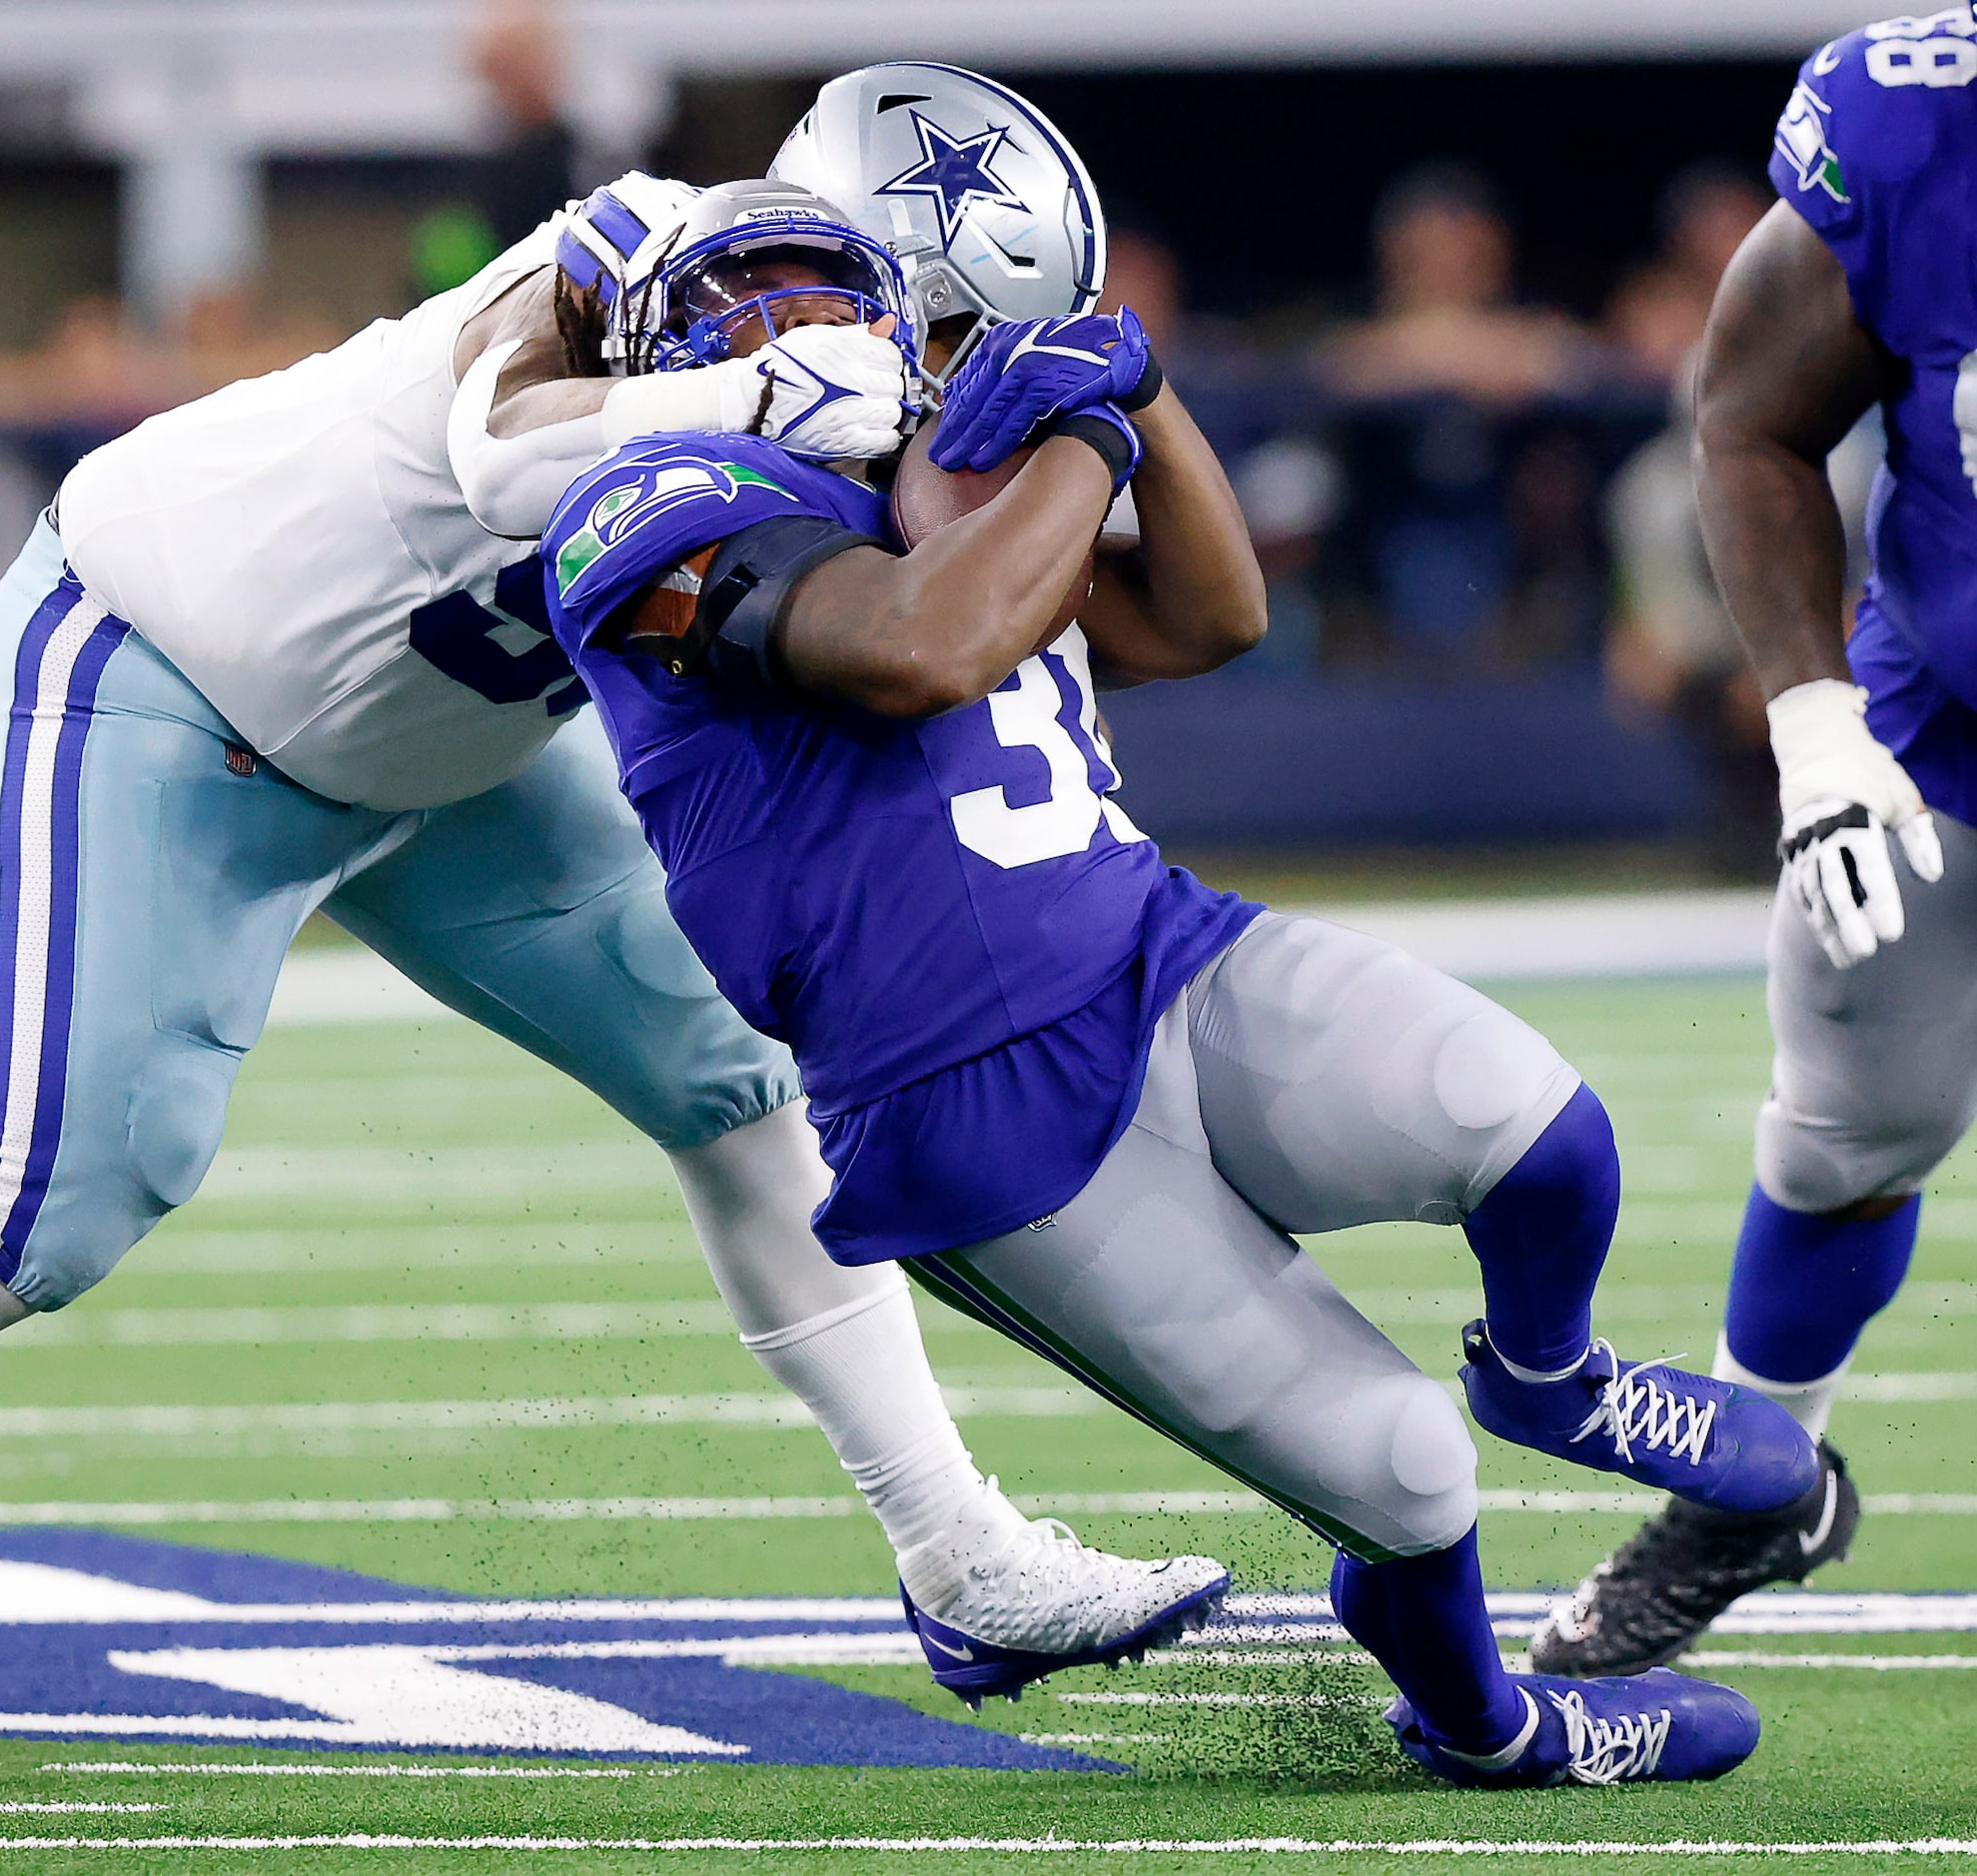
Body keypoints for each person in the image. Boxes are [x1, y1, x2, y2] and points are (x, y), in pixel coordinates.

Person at [0, 74, 1225, 1797]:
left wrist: (1107, 418)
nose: (937, 387)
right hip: (158, 666)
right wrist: (742, 398)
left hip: (445, 752)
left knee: (736, 1070)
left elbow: (1142, 603)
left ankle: (954, 1549)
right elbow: (497, 438)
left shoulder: (870, 411)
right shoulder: (648, 261)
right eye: (945, 337)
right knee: (66, 1194)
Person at [532, 183, 1826, 1785]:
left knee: (1535, 1118)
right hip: (981, 1117)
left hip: (1165, 954)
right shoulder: (650, 502)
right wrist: (1083, 443)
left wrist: (1138, 390)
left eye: (820, 288)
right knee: (1412, 1478)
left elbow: (1220, 611)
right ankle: (1487, 1725)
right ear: (671, 350)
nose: (792, 320)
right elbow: (919, 649)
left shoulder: (959, 489)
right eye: (750, 295)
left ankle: (1554, 1370)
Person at [1535, 12, 1977, 1677]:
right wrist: (1809, 716)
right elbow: (1749, 419)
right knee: (1853, 1105)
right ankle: (1755, 1485)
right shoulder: (1925, 126)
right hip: (1952, 713)